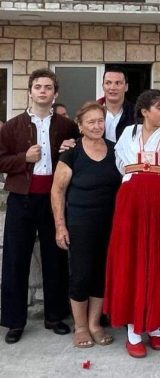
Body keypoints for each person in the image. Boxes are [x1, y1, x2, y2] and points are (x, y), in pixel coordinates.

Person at [103, 89, 160, 358]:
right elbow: (121, 166)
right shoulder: (127, 134)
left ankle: (153, 325)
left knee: (158, 262)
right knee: (131, 260)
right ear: (144, 111)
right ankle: (133, 330)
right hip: (131, 204)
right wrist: (138, 181)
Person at [0, 68, 78, 344]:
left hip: (54, 200)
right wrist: (24, 158)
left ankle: (54, 316)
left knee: (55, 258)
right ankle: (14, 321)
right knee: (15, 259)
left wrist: (72, 146)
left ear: (55, 93)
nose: (43, 91)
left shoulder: (67, 126)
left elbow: (81, 153)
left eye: (48, 87)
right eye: (38, 87)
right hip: (21, 199)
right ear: (30, 92)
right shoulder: (12, 126)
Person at [51, 101, 121, 348]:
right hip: (80, 224)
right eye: (90, 122)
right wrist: (60, 226)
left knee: (101, 274)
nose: (96, 126)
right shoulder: (72, 153)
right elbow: (57, 191)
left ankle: (94, 324)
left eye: (100, 121)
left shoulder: (115, 150)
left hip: (110, 224)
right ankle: (80, 327)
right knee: (81, 275)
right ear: (80, 126)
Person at [99, 67, 135, 144]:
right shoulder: (91, 112)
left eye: (118, 83)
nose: (112, 88)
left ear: (126, 87)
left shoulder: (137, 114)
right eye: (108, 83)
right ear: (103, 86)